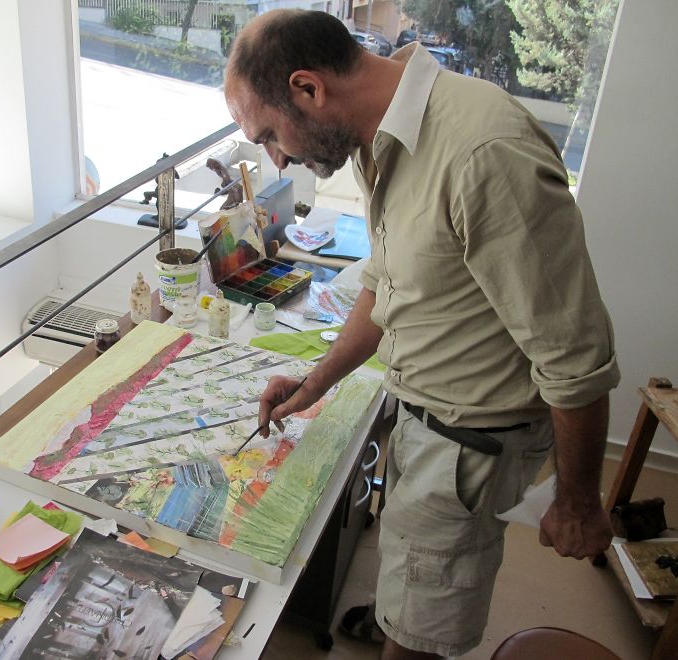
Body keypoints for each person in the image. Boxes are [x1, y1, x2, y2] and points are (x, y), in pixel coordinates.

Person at [224, 9, 619, 660]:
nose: (278, 158)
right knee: (408, 583)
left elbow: (575, 357)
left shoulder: (482, 151)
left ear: (309, 88)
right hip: (421, 414)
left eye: (269, 135)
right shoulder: (377, 135)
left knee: (417, 639)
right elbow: (385, 283)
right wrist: (315, 381)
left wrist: (578, 500)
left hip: (468, 445)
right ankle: (398, 615)